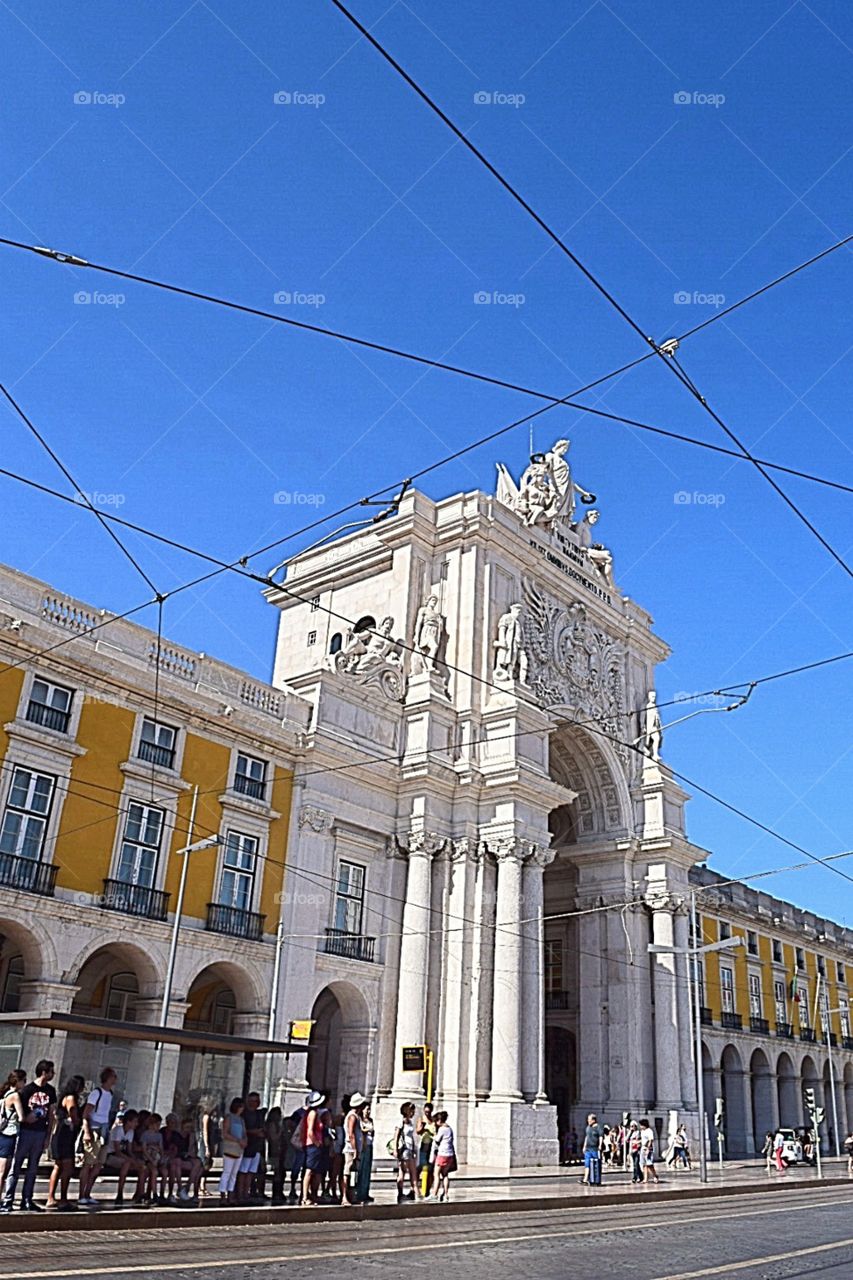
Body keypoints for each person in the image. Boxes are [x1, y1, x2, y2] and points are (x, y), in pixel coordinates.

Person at [1, 1058, 56, 1211]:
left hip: (40, 1132)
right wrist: (27, 1118)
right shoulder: (27, 1090)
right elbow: (19, 1112)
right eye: (51, 1071)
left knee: (33, 1167)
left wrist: (48, 1135)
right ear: (44, 1072)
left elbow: (51, 1114)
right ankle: (8, 1199)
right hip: (25, 1131)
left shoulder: (50, 1091)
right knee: (16, 1167)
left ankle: (27, 1198)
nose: (53, 1074)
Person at [79, 1066, 117, 1206]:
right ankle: (81, 1194)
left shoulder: (110, 1094)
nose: (115, 1079)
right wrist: (87, 1131)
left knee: (98, 1164)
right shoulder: (97, 1093)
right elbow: (86, 1113)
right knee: (89, 1163)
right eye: (113, 1076)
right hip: (94, 1129)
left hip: (104, 1130)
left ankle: (88, 1192)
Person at [46, 1076, 83, 1211]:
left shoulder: (63, 1097)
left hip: (61, 1134)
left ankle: (51, 1197)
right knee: (67, 1167)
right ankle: (62, 1198)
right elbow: (73, 1114)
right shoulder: (70, 1098)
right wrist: (78, 1120)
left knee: (58, 1166)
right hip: (65, 1135)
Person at [103, 1109, 145, 1207]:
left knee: (142, 1167)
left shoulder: (131, 1132)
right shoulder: (117, 1130)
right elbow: (117, 1151)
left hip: (124, 1156)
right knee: (126, 1164)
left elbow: (129, 1150)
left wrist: (135, 1160)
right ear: (128, 1121)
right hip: (111, 1156)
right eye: (135, 1121)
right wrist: (131, 1160)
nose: (137, 1124)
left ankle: (140, 1193)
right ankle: (120, 1193)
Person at [0, 1070, 25, 1210]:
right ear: (18, 1081)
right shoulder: (15, 1096)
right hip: (9, 1134)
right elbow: (21, 1117)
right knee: (3, 1172)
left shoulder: (5, 1093)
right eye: (24, 1080)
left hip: (2, 1133)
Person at [301, 1090, 327, 1206]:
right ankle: (305, 1197)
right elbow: (310, 1131)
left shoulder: (313, 1112)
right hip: (312, 1145)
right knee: (309, 1170)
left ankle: (312, 1195)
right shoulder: (313, 1113)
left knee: (314, 1171)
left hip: (313, 1145)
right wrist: (317, 1143)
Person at [219, 1098, 247, 1204]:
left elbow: (244, 1133)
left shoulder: (241, 1120)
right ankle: (222, 1195)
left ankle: (230, 1194)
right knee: (227, 1172)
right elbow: (225, 1133)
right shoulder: (229, 1118)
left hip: (239, 1149)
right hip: (230, 1147)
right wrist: (237, 1140)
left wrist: (245, 1140)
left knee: (234, 1174)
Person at [241, 1092, 266, 1203]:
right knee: (243, 1171)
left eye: (256, 1101)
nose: (255, 1103)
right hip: (247, 1146)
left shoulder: (259, 1114)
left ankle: (247, 1193)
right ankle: (241, 1193)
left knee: (251, 1172)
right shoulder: (244, 1114)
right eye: (252, 1101)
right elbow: (242, 1130)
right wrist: (255, 1132)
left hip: (257, 1147)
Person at [342, 1093, 366, 1204]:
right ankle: (344, 1196)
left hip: (355, 1149)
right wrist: (355, 1149)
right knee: (347, 1173)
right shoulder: (352, 1116)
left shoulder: (356, 1116)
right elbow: (351, 1134)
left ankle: (351, 1195)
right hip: (351, 1149)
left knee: (353, 1173)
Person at [393, 1102, 418, 1202]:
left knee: (406, 1172)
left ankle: (410, 1191)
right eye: (412, 1110)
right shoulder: (401, 1122)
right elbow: (396, 1137)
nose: (413, 1113)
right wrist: (395, 1150)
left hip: (410, 1149)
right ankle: (411, 1191)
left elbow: (411, 1137)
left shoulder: (410, 1122)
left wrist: (414, 1149)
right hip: (404, 1150)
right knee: (406, 1172)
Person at [430, 1111, 456, 1202]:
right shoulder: (449, 1128)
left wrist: (433, 1135)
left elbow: (437, 1140)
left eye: (436, 1121)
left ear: (440, 1120)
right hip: (450, 1154)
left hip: (442, 1154)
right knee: (445, 1175)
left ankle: (434, 1194)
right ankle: (446, 1194)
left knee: (436, 1174)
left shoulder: (442, 1129)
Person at [354, 1102, 375, 1205]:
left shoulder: (371, 1120)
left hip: (370, 1146)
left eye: (369, 1109)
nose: (368, 1111)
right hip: (363, 1146)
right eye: (367, 1109)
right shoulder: (359, 1120)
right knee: (361, 1170)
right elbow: (362, 1131)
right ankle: (360, 1193)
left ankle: (366, 1192)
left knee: (367, 1170)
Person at [582, 1112, 603, 1186]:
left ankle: (596, 1180)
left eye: (589, 1119)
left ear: (594, 1120)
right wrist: (584, 1146)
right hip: (588, 1149)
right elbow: (586, 1137)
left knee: (596, 1165)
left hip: (595, 1149)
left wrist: (600, 1145)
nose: (588, 1121)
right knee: (587, 1164)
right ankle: (585, 1179)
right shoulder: (588, 1127)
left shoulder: (598, 1127)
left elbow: (600, 1136)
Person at [639, 1119, 660, 1184]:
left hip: (648, 1148)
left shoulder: (649, 1131)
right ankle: (645, 1179)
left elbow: (650, 1140)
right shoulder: (642, 1131)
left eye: (641, 1125)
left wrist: (648, 1149)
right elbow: (642, 1140)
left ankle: (655, 1175)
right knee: (644, 1164)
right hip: (643, 1148)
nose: (640, 1127)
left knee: (649, 1164)